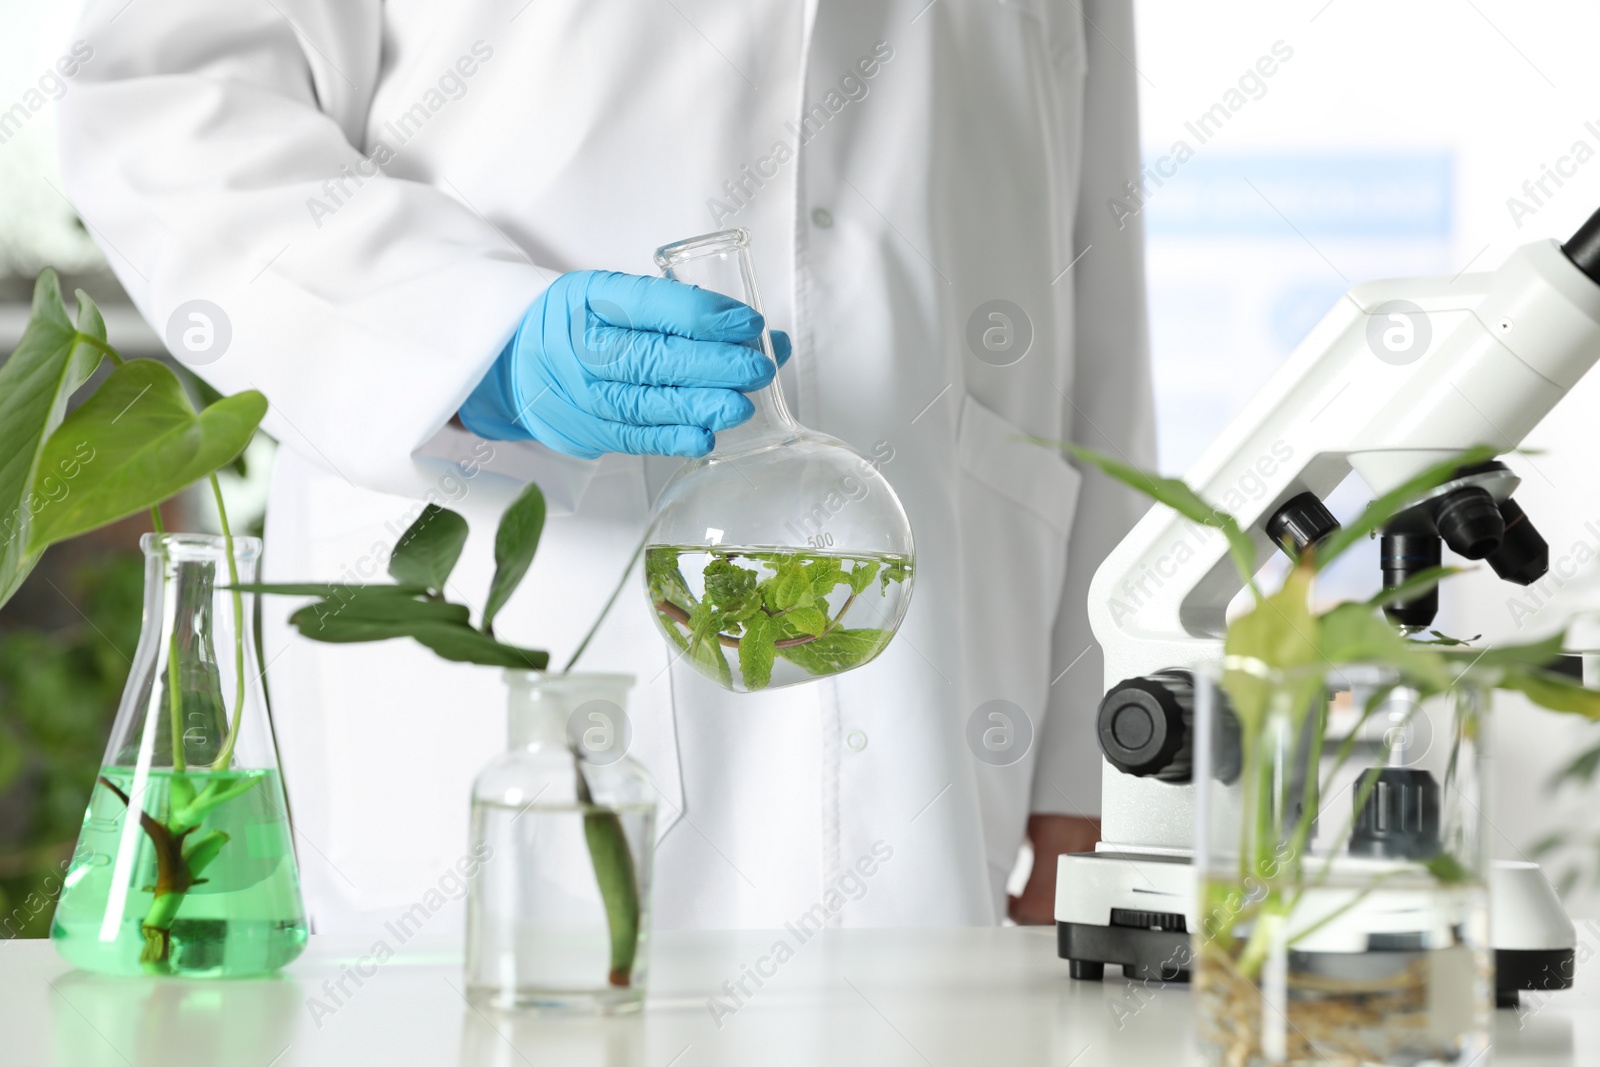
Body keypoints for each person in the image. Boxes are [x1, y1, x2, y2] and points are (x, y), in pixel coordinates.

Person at [58, 1, 1156, 933]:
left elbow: (1095, 252)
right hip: (517, 560)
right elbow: (165, 97)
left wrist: (1094, 763)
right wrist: (462, 336)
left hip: (950, 656)